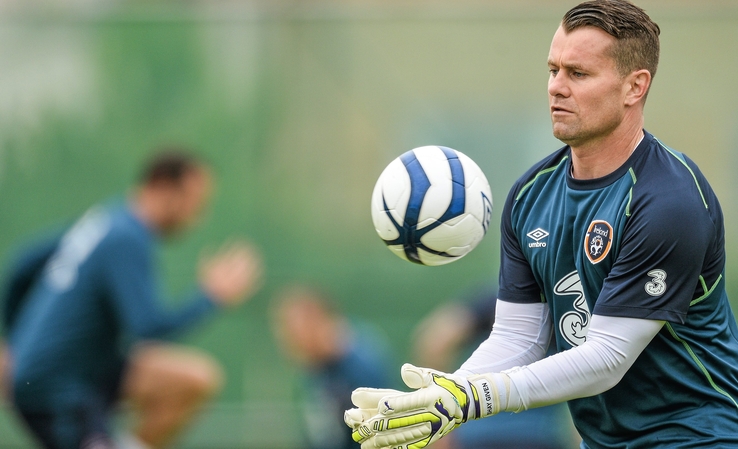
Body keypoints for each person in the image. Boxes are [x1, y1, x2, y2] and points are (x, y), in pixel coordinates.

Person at [344, 1, 738, 448]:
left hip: (700, 438)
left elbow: (608, 356)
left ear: (634, 87)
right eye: (553, 70)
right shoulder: (530, 196)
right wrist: (445, 398)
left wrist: (475, 398)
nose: (556, 88)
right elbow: (518, 337)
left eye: (578, 74)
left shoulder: (669, 200)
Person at [1, 149, 263, 449]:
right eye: (194, 202)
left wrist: (14, 343)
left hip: (84, 372)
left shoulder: (106, 221)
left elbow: (22, 267)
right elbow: (149, 329)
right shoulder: (127, 239)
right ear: (164, 187)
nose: (197, 216)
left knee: (195, 380)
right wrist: (211, 297)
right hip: (57, 390)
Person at [410, 288, 577, 449]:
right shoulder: (569, 311)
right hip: (536, 437)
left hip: (482, 436)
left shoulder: (499, 299)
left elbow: (435, 343)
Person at [271, 285, 392, 449]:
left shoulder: (362, 365)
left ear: (314, 322)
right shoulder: (318, 366)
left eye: (292, 333)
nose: (288, 343)